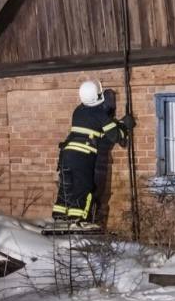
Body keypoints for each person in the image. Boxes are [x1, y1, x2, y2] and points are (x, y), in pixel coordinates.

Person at [52, 80, 135, 224]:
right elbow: (113, 135)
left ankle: (59, 217)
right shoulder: (100, 113)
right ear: (97, 95)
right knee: (84, 186)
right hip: (83, 156)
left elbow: (94, 127)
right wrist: (124, 126)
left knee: (67, 186)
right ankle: (79, 219)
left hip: (66, 154)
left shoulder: (78, 111)